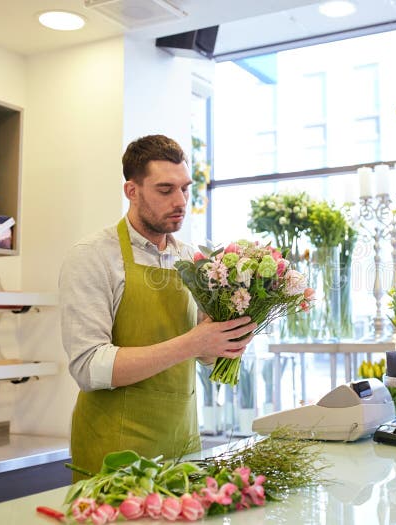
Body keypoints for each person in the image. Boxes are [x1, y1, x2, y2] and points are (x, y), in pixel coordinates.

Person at [59, 134, 255, 480]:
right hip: (115, 453)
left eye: (185, 188)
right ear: (131, 192)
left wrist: (228, 338)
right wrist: (194, 342)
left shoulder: (189, 258)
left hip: (182, 446)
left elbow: (205, 356)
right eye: (165, 190)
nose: (180, 201)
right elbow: (90, 367)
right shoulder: (92, 256)